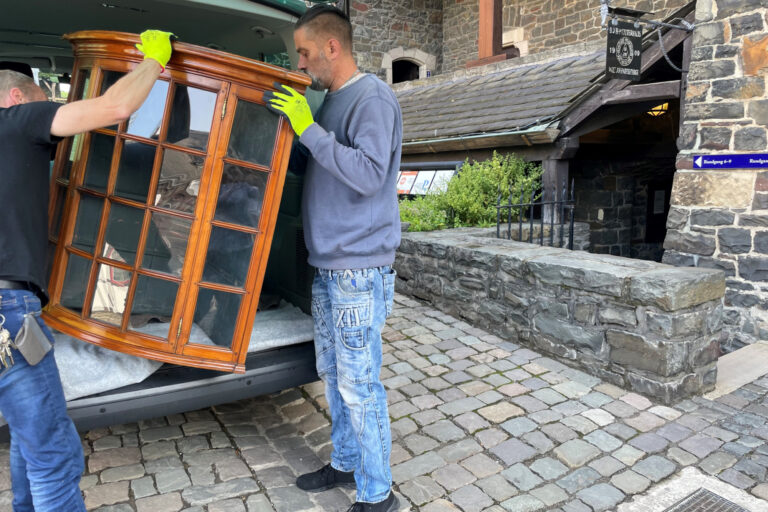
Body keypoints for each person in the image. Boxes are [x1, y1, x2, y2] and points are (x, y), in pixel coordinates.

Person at [0, 29, 174, 511]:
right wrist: (153, 62)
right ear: (17, 99)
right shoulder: (16, 121)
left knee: (27, 436)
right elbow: (115, 108)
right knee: (54, 454)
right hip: (6, 314)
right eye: (44, 102)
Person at [265, 6, 402, 512]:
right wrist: (291, 130)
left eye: (303, 53)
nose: (299, 64)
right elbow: (320, 164)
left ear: (331, 47)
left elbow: (367, 175)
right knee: (335, 373)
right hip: (329, 263)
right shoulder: (327, 103)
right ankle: (346, 461)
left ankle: (377, 493)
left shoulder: (374, 99)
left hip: (359, 268)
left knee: (361, 384)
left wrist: (309, 129)